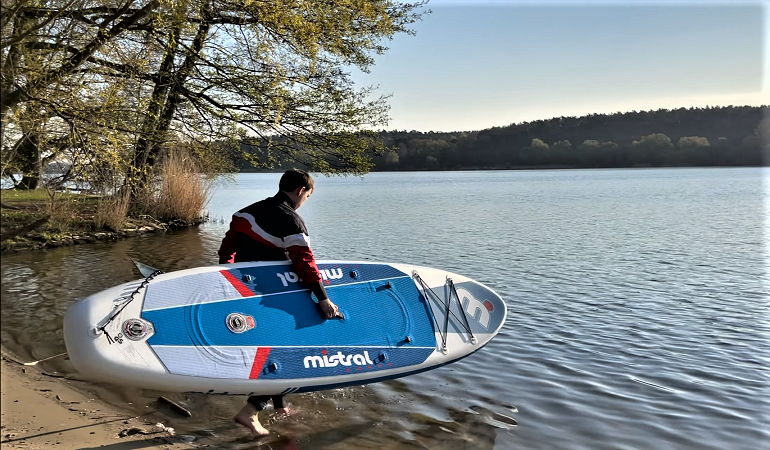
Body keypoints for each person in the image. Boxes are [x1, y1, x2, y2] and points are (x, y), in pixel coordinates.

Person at [218, 168, 339, 435]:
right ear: (300, 191)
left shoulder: (245, 213)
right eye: (307, 196)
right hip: (277, 295)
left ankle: (281, 406)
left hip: (245, 291)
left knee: (271, 345)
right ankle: (250, 412)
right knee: (289, 350)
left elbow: (226, 251)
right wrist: (323, 299)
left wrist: (226, 286)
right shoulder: (292, 221)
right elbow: (304, 263)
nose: (305, 200)